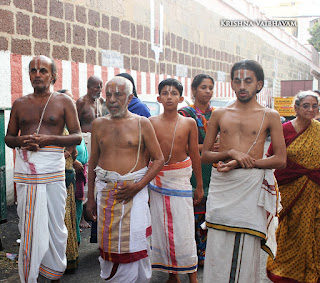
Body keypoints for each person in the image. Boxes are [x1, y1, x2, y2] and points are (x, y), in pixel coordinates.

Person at [201, 59, 287, 282]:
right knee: (218, 245)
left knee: (246, 248)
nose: (242, 86)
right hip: (223, 188)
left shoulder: (270, 116)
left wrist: (243, 161)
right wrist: (231, 153)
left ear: (259, 84)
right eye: (237, 81)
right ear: (231, 83)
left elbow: (280, 159)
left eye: (248, 81)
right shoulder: (220, 113)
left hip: (249, 188)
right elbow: (206, 156)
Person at [5, 55, 82, 283]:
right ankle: (31, 275)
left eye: (43, 71)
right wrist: (23, 141)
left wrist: (48, 140)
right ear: (29, 75)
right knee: (28, 225)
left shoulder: (63, 102)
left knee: (55, 225)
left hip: (53, 171)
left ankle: (54, 275)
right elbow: (9, 138)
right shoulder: (20, 103)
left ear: (53, 76)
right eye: (33, 70)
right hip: (28, 174)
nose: (37, 74)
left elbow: (77, 137)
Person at [86, 76, 164, 282]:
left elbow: (158, 159)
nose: (112, 100)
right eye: (108, 95)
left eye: (118, 95)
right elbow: (93, 161)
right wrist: (90, 199)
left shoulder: (142, 123)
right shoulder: (98, 124)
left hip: (134, 196)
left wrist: (137, 187)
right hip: (106, 195)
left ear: (129, 98)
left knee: (136, 247)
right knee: (109, 247)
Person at [149, 78, 203, 283]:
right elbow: (147, 156)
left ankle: (192, 275)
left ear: (181, 98)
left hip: (180, 180)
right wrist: (145, 186)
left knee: (185, 228)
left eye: (173, 93)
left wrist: (199, 185)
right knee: (162, 228)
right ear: (159, 98)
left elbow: (195, 155)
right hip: (158, 181)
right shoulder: (151, 123)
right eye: (165, 93)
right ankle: (173, 273)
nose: (169, 97)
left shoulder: (188, 123)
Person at [267, 91, 320, 282]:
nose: (311, 109)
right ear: (295, 108)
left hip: (314, 191)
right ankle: (285, 271)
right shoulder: (284, 130)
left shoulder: (318, 130)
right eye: (306, 105)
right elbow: (272, 157)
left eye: (315, 105)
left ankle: (311, 270)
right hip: (288, 190)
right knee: (288, 232)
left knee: (313, 231)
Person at [178, 74, 215, 266]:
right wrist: (208, 148)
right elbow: (183, 146)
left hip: (214, 171)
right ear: (193, 90)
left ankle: (206, 254)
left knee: (210, 213)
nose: (207, 91)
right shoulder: (185, 115)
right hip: (192, 171)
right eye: (203, 87)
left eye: (210, 87)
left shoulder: (216, 114)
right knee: (190, 213)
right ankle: (190, 255)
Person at [76, 76, 104, 234]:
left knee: (95, 177)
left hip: (98, 143)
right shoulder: (81, 102)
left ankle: (91, 210)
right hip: (84, 142)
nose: (99, 90)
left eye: (100, 86)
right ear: (88, 87)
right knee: (84, 179)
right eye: (96, 87)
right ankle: (81, 216)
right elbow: (75, 124)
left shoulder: (101, 102)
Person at [57, 89, 79, 272]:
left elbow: (74, 148)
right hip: (61, 175)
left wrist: (67, 153)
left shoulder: (67, 125)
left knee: (66, 219)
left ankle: (66, 261)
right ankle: (62, 261)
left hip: (66, 175)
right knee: (63, 219)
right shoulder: (58, 124)